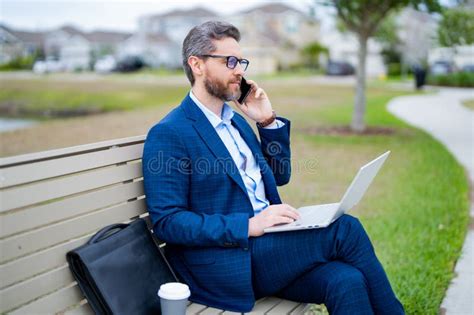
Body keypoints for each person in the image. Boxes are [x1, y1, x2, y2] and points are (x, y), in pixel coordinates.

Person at [142, 21, 405, 314]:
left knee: (347, 280)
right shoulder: (170, 133)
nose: (239, 70)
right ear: (197, 64)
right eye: (229, 61)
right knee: (345, 229)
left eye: (241, 61)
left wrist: (266, 121)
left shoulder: (237, 122)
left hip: (268, 249)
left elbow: (280, 175)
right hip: (228, 262)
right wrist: (250, 225)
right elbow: (168, 222)